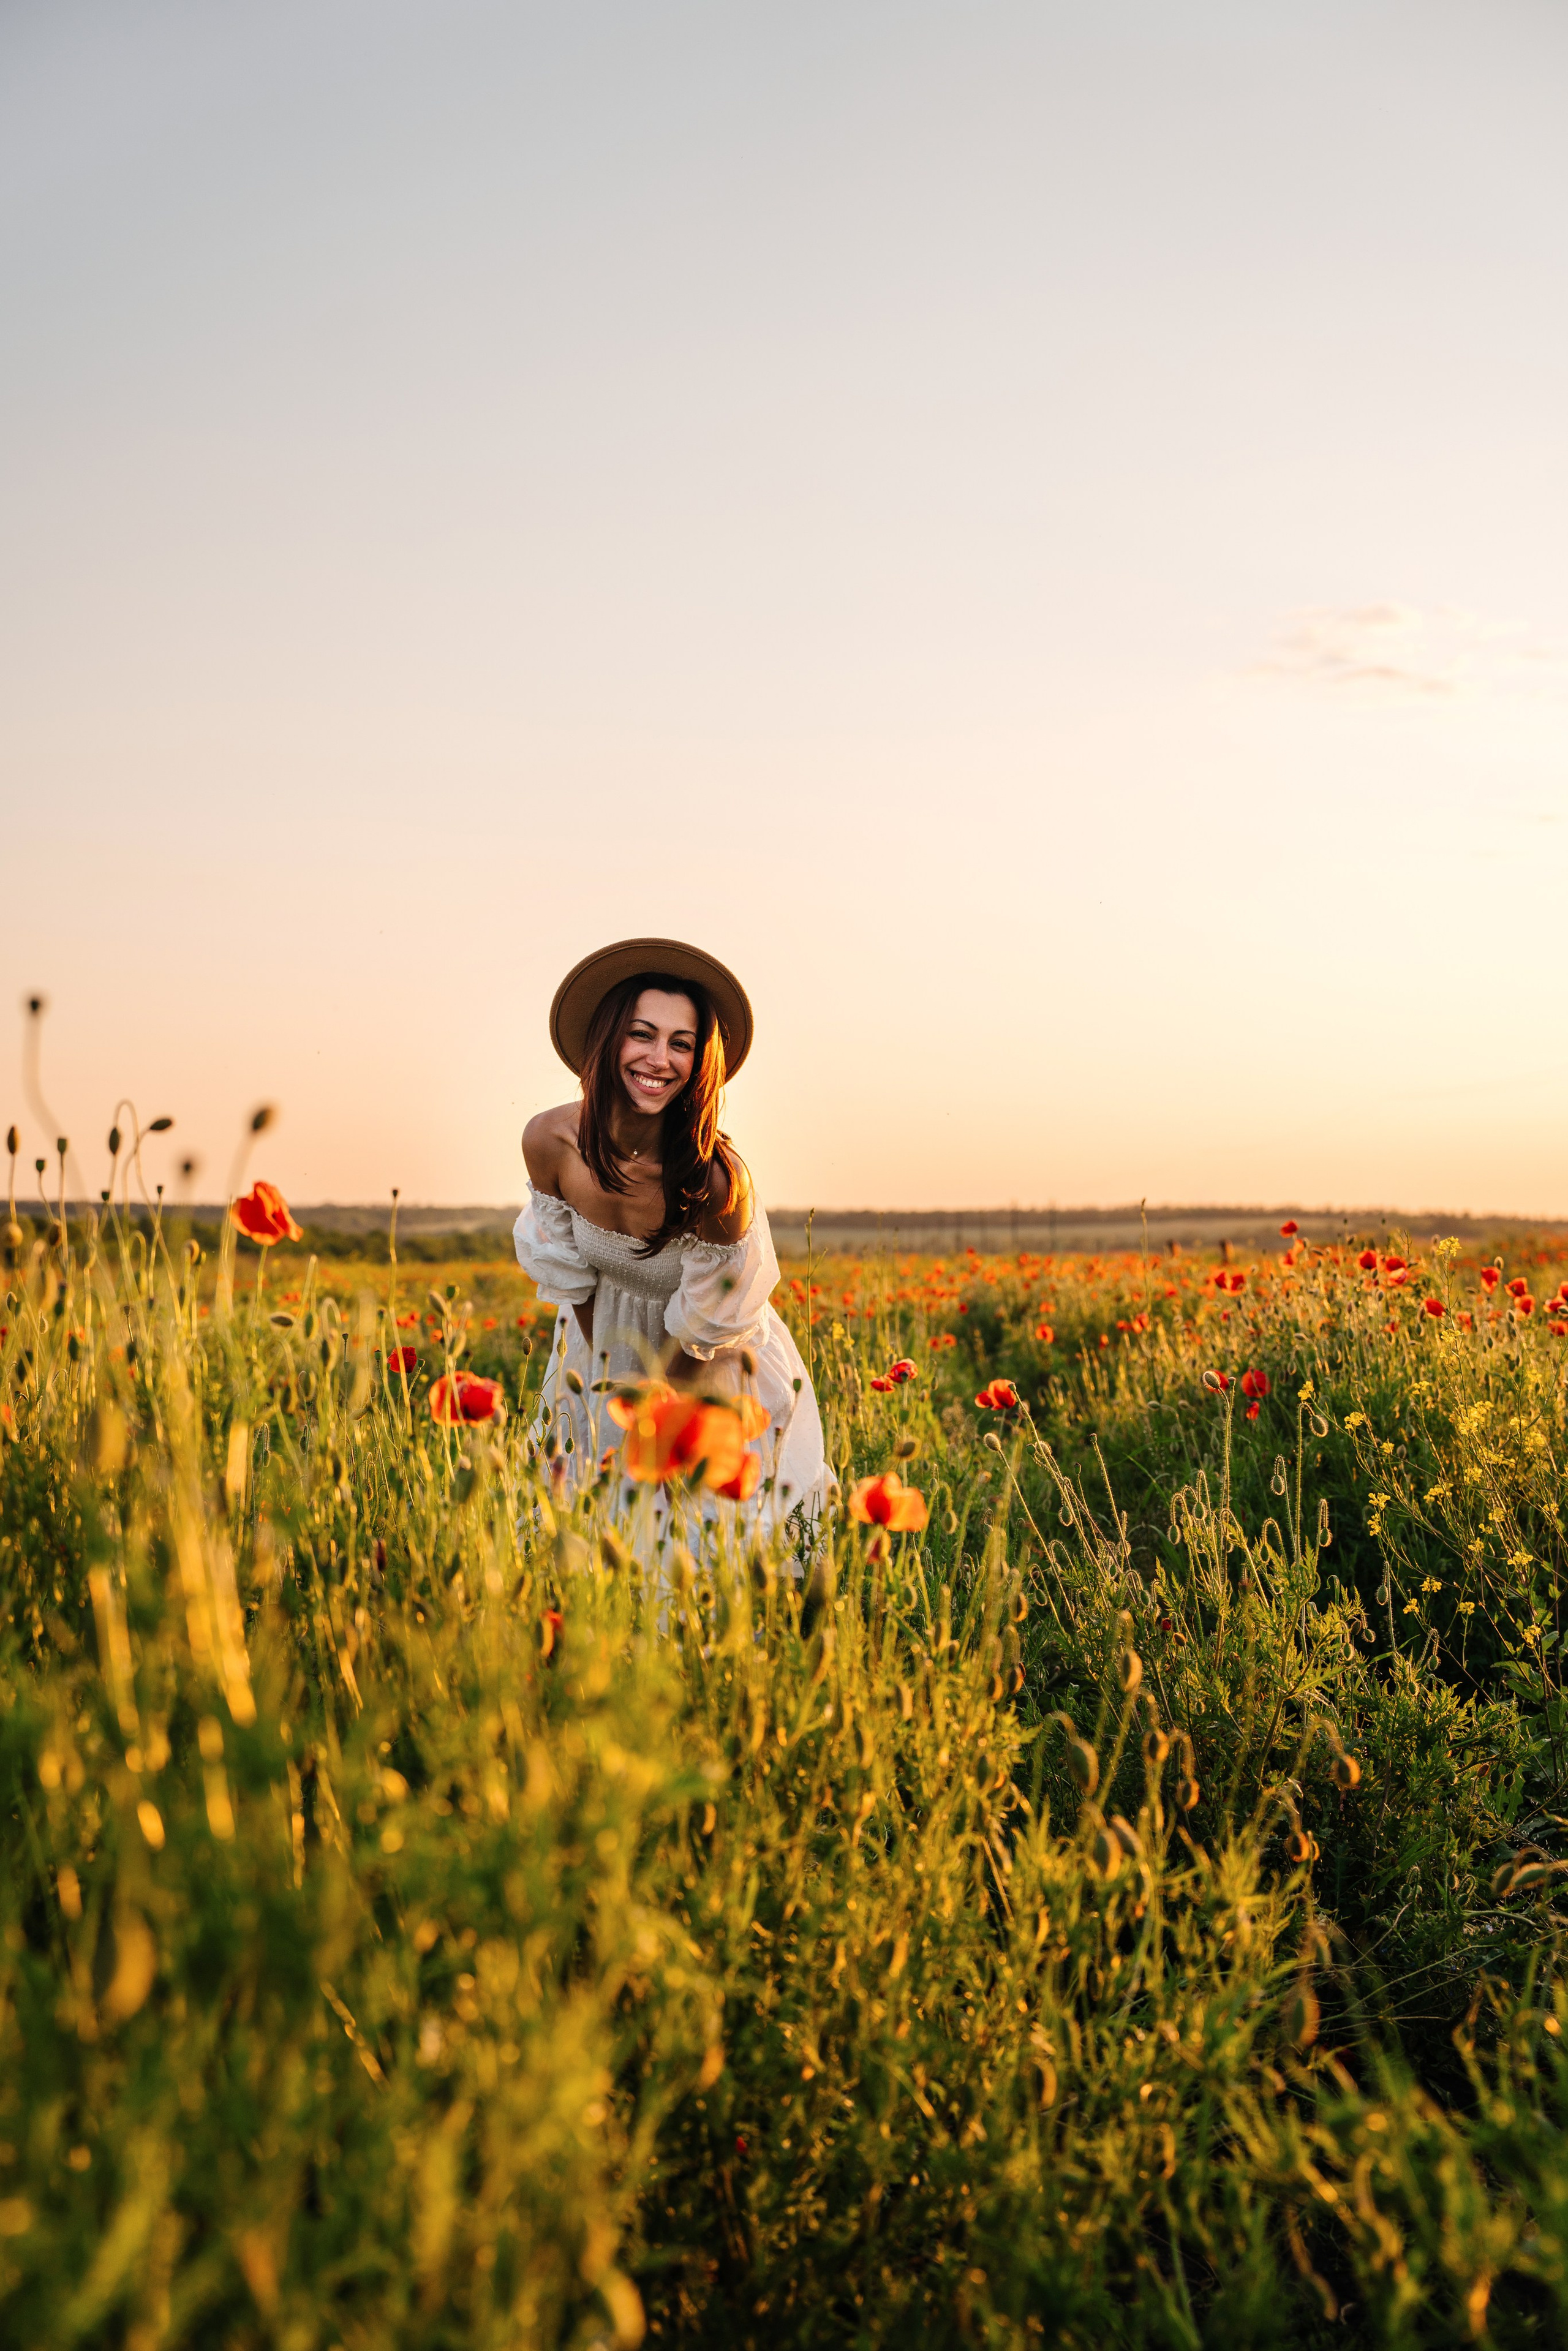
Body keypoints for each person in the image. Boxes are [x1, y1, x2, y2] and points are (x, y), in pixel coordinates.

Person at [514, 937, 832, 1547]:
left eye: (680, 1044)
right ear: (607, 1040)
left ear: (699, 1062)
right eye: (642, 1034)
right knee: (585, 1534)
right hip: (598, 1350)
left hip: (705, 1368)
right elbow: (570, 1278)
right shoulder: (548, 1140)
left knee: (698, 1550)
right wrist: (609, 1382)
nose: (658, 1058)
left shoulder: (715, 1180)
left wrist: (659, 1425)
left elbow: (704, 1327)